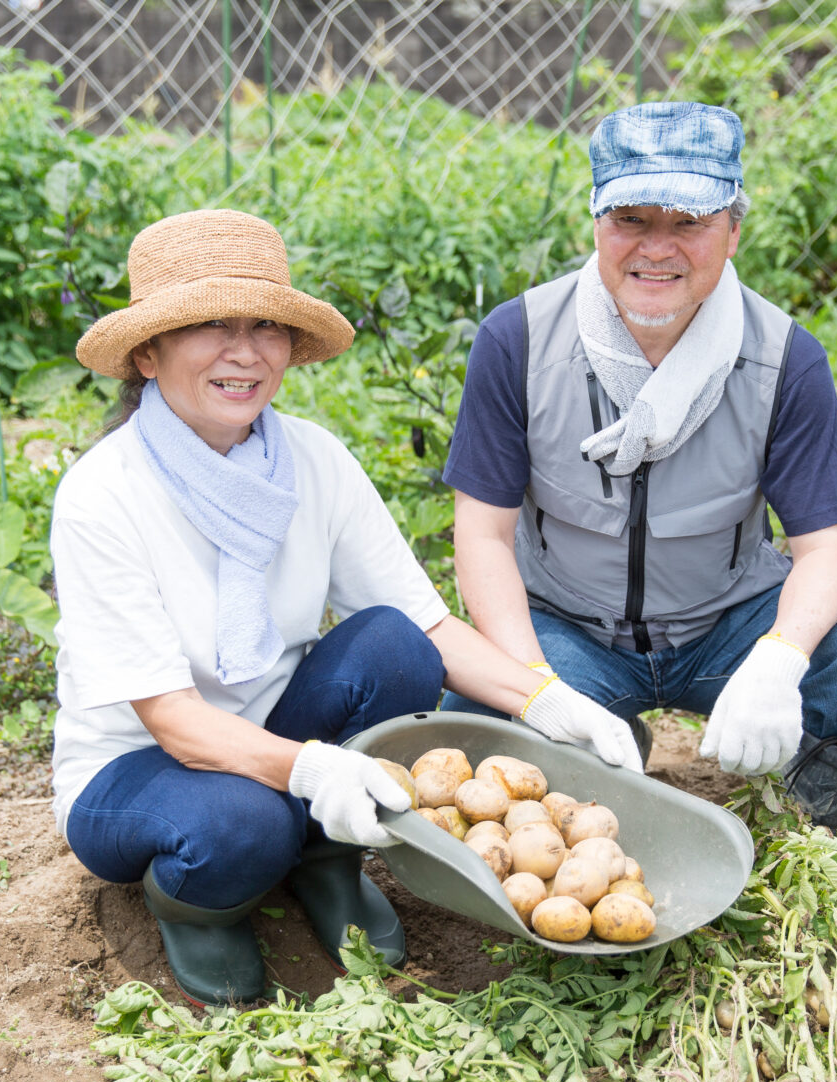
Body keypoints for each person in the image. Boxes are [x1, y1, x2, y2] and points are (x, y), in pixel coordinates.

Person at [52, 210, 639, 1006]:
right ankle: (201, 907)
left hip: (275, 734)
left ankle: (323, 859)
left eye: (266, 327)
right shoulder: (105, 493)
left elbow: (426, 624)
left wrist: (550, 701)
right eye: (209, 327)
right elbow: (173, 722)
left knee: (394, 646)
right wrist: (313, 767)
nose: (245, 351)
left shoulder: (314, 461)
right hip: (138, 769)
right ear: (148, 354)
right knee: (242, 823)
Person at [441, 102, 837, 831]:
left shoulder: (784, 357)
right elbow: (481, 536)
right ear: (596, 222)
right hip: (568, 630)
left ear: (731, 229)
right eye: (631, 218)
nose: (656, 249)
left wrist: (780, 660)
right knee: (476, 713)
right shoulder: (520, 340)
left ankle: (799, 838)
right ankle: (601, 731)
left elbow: (826, 548)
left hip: (725, 627)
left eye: (687, 223)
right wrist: (536, 685)